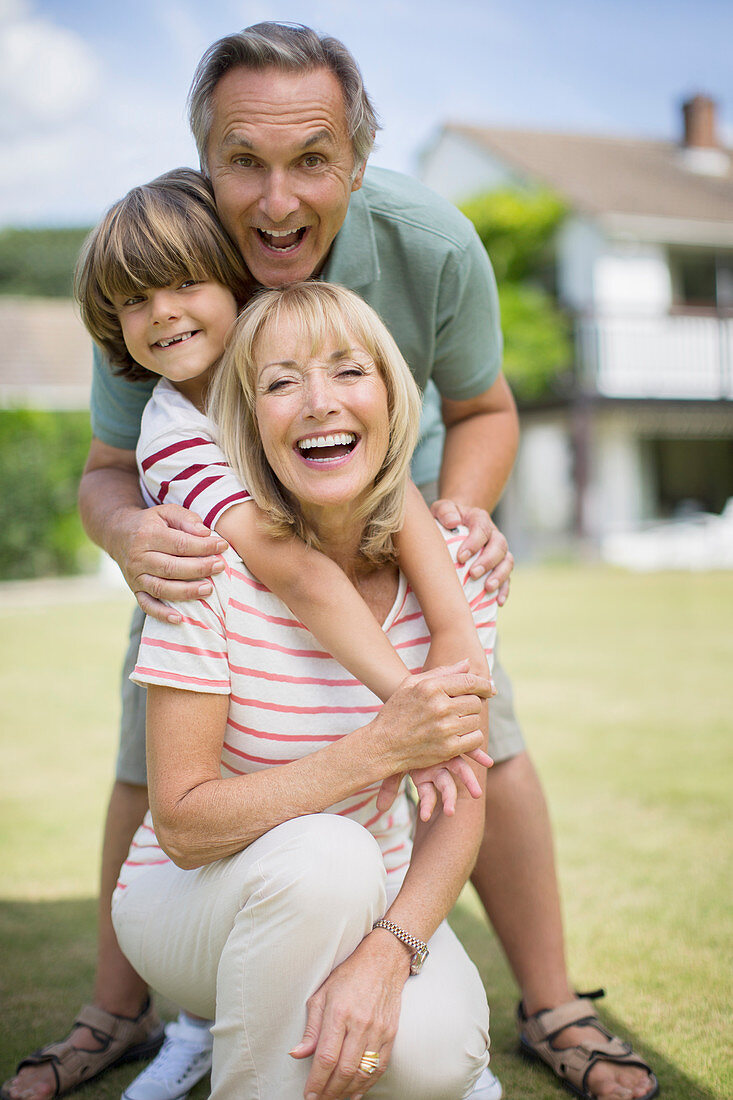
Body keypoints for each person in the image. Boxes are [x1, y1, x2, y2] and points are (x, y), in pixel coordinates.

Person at [1, 21, 656, 1100]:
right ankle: (118, 1010)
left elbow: (486, 407)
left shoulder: (430, 242)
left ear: (355, 158)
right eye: (243, 162)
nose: (275, 200)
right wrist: (132, 538)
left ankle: (551, 1002)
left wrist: (460, 519)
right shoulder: (169, 267)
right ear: (205, 162)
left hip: (390, 520)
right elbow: (108, 468)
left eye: (311, 159)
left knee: (479, 735)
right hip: (216, 548)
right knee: (159, 757)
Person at [112, 278, 498, 1099]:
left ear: (391, 401)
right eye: (281, 382)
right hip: (192, 904)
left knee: (437, 1059)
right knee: (329, 855)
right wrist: (379, 748)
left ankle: (282, 1032)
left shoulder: (453, 577)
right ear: (248, 424)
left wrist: (386, 954)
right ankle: (246, 1060)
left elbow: (463, 801)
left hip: (367, 899)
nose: (319, 404)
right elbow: (181, 823)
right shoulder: (202, 566)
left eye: (348, 372)